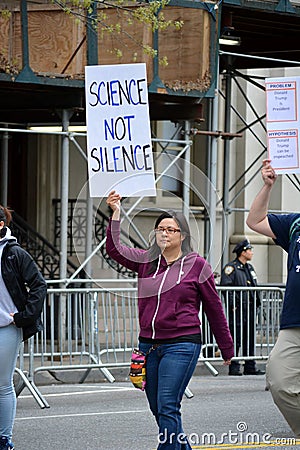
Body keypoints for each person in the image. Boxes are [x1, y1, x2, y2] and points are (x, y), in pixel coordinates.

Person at [106, 190, 234, 450]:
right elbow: (115, 250)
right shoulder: (146, 260)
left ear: (183, 236)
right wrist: (116, 214)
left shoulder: (197, 265)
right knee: (158, 408)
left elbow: (214, 307)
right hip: (148, 346)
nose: (164, 233)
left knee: (167, 404)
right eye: (160, 229)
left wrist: (226, 345)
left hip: (182, 344)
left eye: (171, 230)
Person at [246, 158, 300, 437]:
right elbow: (254, 220)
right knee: (279, 380)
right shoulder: (295, 224)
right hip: (294, 323)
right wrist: (267, 186)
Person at [0, 206, 47, 450]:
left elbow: (39, 285)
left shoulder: (14, 253)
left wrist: (24, 317)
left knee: (2, 384)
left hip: (6, 327)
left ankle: (4, 438)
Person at [220, 239, 265, 376]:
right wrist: (234, 305)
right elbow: (226, 287)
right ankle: (234, 366)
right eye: (249, 250)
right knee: (236, 337)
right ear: (243, 252)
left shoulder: (249, 268)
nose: (251, 252)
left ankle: (250, 365)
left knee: (249, 336)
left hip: (250, 309)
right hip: (238, 309)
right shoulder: (231, 268)